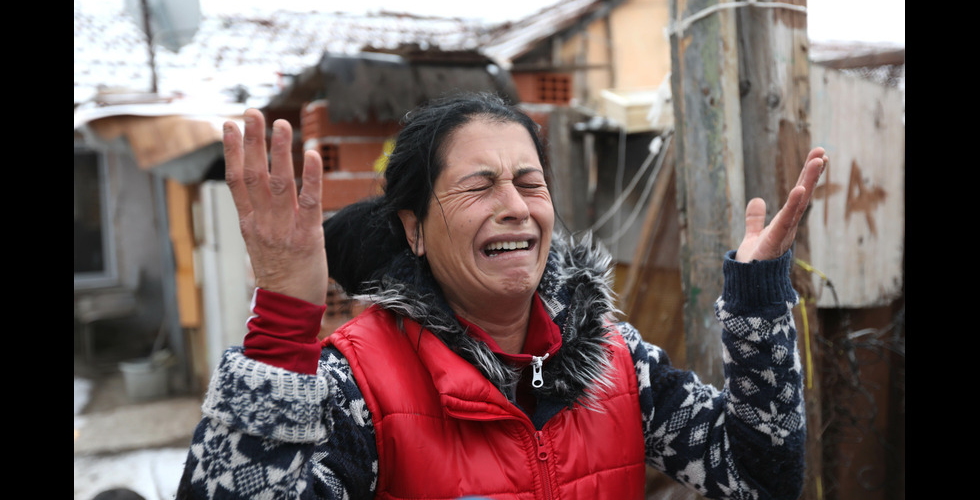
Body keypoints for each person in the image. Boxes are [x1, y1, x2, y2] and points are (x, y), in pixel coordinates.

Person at [178, 93, 827, 499]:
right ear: (415, 228)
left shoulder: (612, 358)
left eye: (528, 181)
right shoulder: (359, 387)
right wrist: (283, 321)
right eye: (479, 185)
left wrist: (757, 301)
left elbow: (760, 478)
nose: (514, 206)